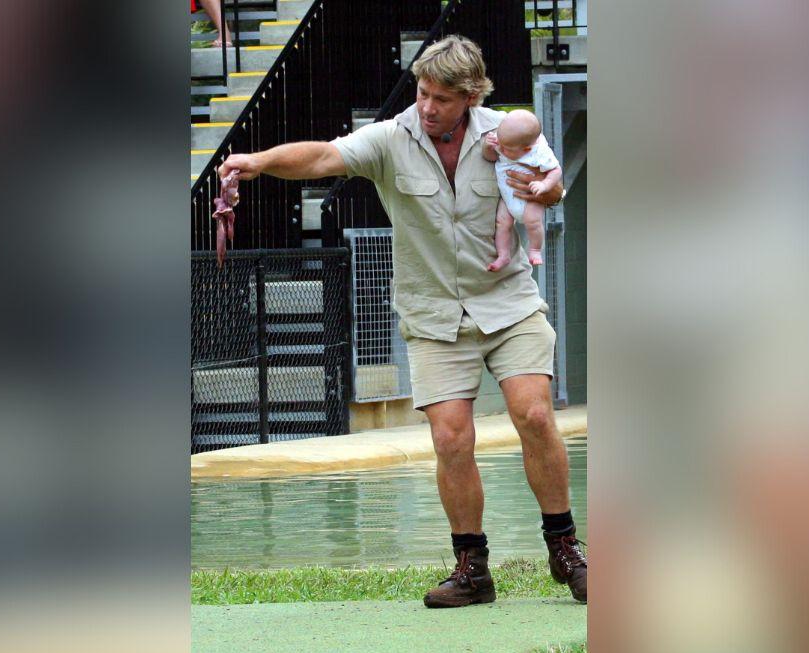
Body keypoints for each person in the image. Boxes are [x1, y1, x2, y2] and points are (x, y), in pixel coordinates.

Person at [214, 35, 584, 608]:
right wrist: (256, 162)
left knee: (534, 413)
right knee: (450, 436)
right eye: (422, 91)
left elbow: (550, 182)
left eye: (441, 97)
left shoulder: (506, 131)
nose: (427, 105)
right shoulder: (391, 138)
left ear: (470, 96)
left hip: (508, 301)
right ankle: (472, 568)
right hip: (432, 311)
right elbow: (321, 156)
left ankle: (565, 549)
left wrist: (549, 189)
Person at [481, 110, 562, 269]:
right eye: (500, 145)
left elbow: (556, 170)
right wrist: (487, 147)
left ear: (526, 149)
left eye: (507, 149)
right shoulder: (504, 140)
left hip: (529, 196)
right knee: (502, 223)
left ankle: (535, 249)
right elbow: (490, 157)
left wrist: (544, 185)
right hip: (507, 195)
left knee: (533, 222)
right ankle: (503, 255)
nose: (501, 150)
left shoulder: (539, 151)